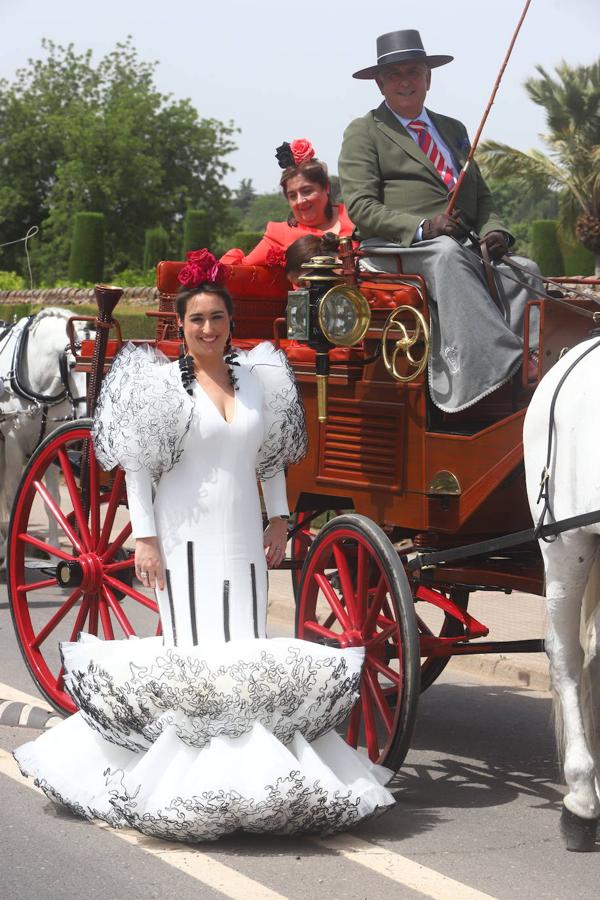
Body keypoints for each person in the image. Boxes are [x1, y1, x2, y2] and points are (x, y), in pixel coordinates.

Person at [14, 250, 394, 842]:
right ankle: (182, 781)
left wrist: (278, 520)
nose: (208, 329)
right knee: (196, 657)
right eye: (197, 320)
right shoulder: (160, 385)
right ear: (182, 325)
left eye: (217, 318)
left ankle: (254, 779)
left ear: (229, 322)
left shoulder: (262, 380)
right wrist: (144, 540)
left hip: (245, 533)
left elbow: (270, 459)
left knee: (246, 648)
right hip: (182, 533)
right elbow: (138, 472)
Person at [338, 29, 542, 413]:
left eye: (413, 72)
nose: (405, 81)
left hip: (460, 246)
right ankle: (496, 366)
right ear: (380, 84)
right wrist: (422, 227)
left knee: (526, 270)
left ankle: (528, 373)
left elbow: (482, 198)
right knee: (446, 254)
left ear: (428, 78)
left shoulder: (453, 129)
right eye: (395, 75)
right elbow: (362, 207)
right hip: (396, 247)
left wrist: (493, 230)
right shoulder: (364, 132)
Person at [221, 139, 354, 267]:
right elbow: (239, 268)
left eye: (307, 191)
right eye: (292, 195)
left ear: (326, 187)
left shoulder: (356, 216)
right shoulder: (279, 234)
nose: (300, 201)